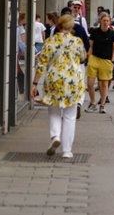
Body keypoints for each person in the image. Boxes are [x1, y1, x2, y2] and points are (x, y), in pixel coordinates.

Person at [31, 13, 86, 159]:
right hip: (73, 82)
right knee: (70, 116)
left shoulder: (50, 42)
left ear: (59, 25)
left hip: (54, 80)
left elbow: (41, 63)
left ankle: (55, 136)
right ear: (71, 26)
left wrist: (35, 83)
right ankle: (67, 151)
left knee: (54, 111)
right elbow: (82, 58)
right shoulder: (77, 42)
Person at [85, 13, 114, 114]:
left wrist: (112, 60)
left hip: (106, 60)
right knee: (90, 83)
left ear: (110, 22)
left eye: (107, 21)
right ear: (100, 21)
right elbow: (90, 46)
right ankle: (93, 102)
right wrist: (88, 57)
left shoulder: (112, 33)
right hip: (94, 58)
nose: (105, 22)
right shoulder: (95, 32)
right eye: (104, 20)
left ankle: (102, 104)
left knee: (104, 84)